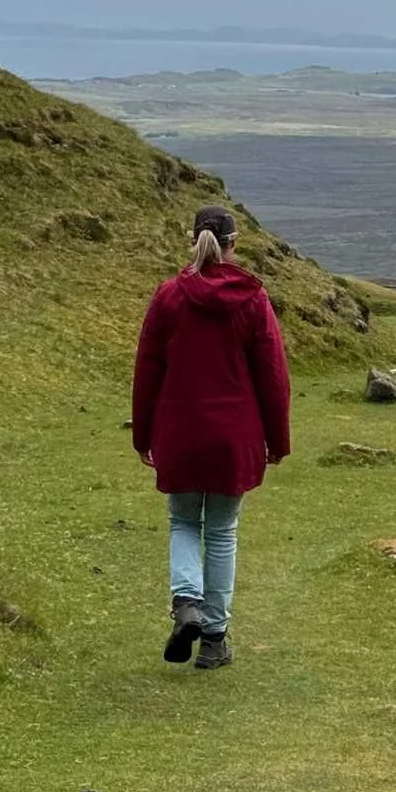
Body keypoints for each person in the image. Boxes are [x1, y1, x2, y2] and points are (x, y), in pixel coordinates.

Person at [131, 205, 291, 669]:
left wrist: (144, 435)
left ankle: (187, 604)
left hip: (180, 432)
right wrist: (277, 439)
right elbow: (273, 376)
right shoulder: (253, 299)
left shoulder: (167, 297)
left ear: (192, 240)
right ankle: (215, 639)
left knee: (183, 522)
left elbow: (148, 371)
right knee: (221, 532)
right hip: (233, 435)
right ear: (233, 243)